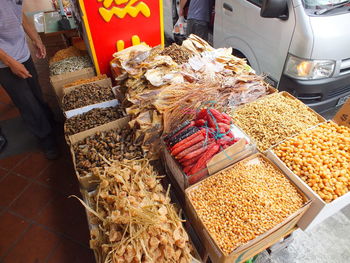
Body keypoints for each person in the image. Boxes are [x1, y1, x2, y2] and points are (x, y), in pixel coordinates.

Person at [0, 0, 59, 159]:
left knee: (36, 92)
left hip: (22, 52)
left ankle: (49, 121)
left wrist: (36, 39)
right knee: (26, 102)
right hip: (4, 63)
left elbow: (20, 14)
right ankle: (46, 139)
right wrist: (10, 62)